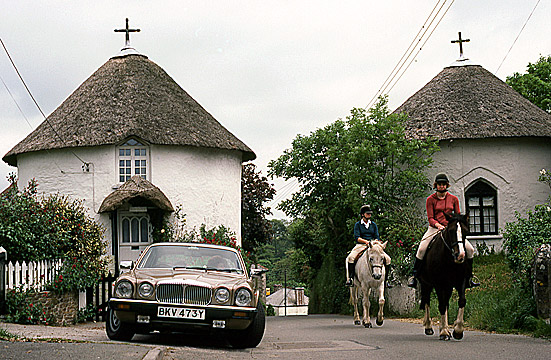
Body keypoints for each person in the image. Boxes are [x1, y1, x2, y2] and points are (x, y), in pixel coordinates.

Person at [408, 173, 479, 288]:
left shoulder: (454, 199)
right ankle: (415, 277)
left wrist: (454, 225)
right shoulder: (430, 200)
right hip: (435, 228)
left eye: (443, 184)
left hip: (451, 228)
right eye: (439, 184)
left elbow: (457, 215)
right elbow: (430, 218)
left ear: (447, 185)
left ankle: (469, 277)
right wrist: (438, 225)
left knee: (470, 249)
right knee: (421, 249)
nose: (441, 186)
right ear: (436, 185)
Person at [345, 205, 391, 287]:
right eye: (367, 213)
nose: (369, 215)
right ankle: (351, 279)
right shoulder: (358, 225)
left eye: (370, 214)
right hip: (361, 245)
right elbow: (357, 238)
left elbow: (377, 236)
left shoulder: (373, 225)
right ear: (362, 214)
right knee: (351, 258)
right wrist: (366, 242)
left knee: (388, 259)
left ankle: (386, 280)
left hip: (373, 246)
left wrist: (376, 241)